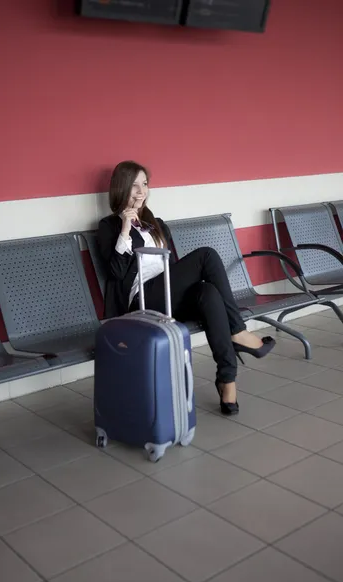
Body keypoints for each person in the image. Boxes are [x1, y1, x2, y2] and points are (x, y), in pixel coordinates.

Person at [98, 160, 275, 415]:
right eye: (134, 186)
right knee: (207, 255)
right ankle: (238, 331)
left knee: (208, 293)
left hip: (168, 294)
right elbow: (115, 272)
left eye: (144, 184)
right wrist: (125, 228)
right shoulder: (110, 226)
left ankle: (227, 381)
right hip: (142, 302)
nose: (141, 192)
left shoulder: (155, 222)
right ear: (120, 188)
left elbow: (171, 265)